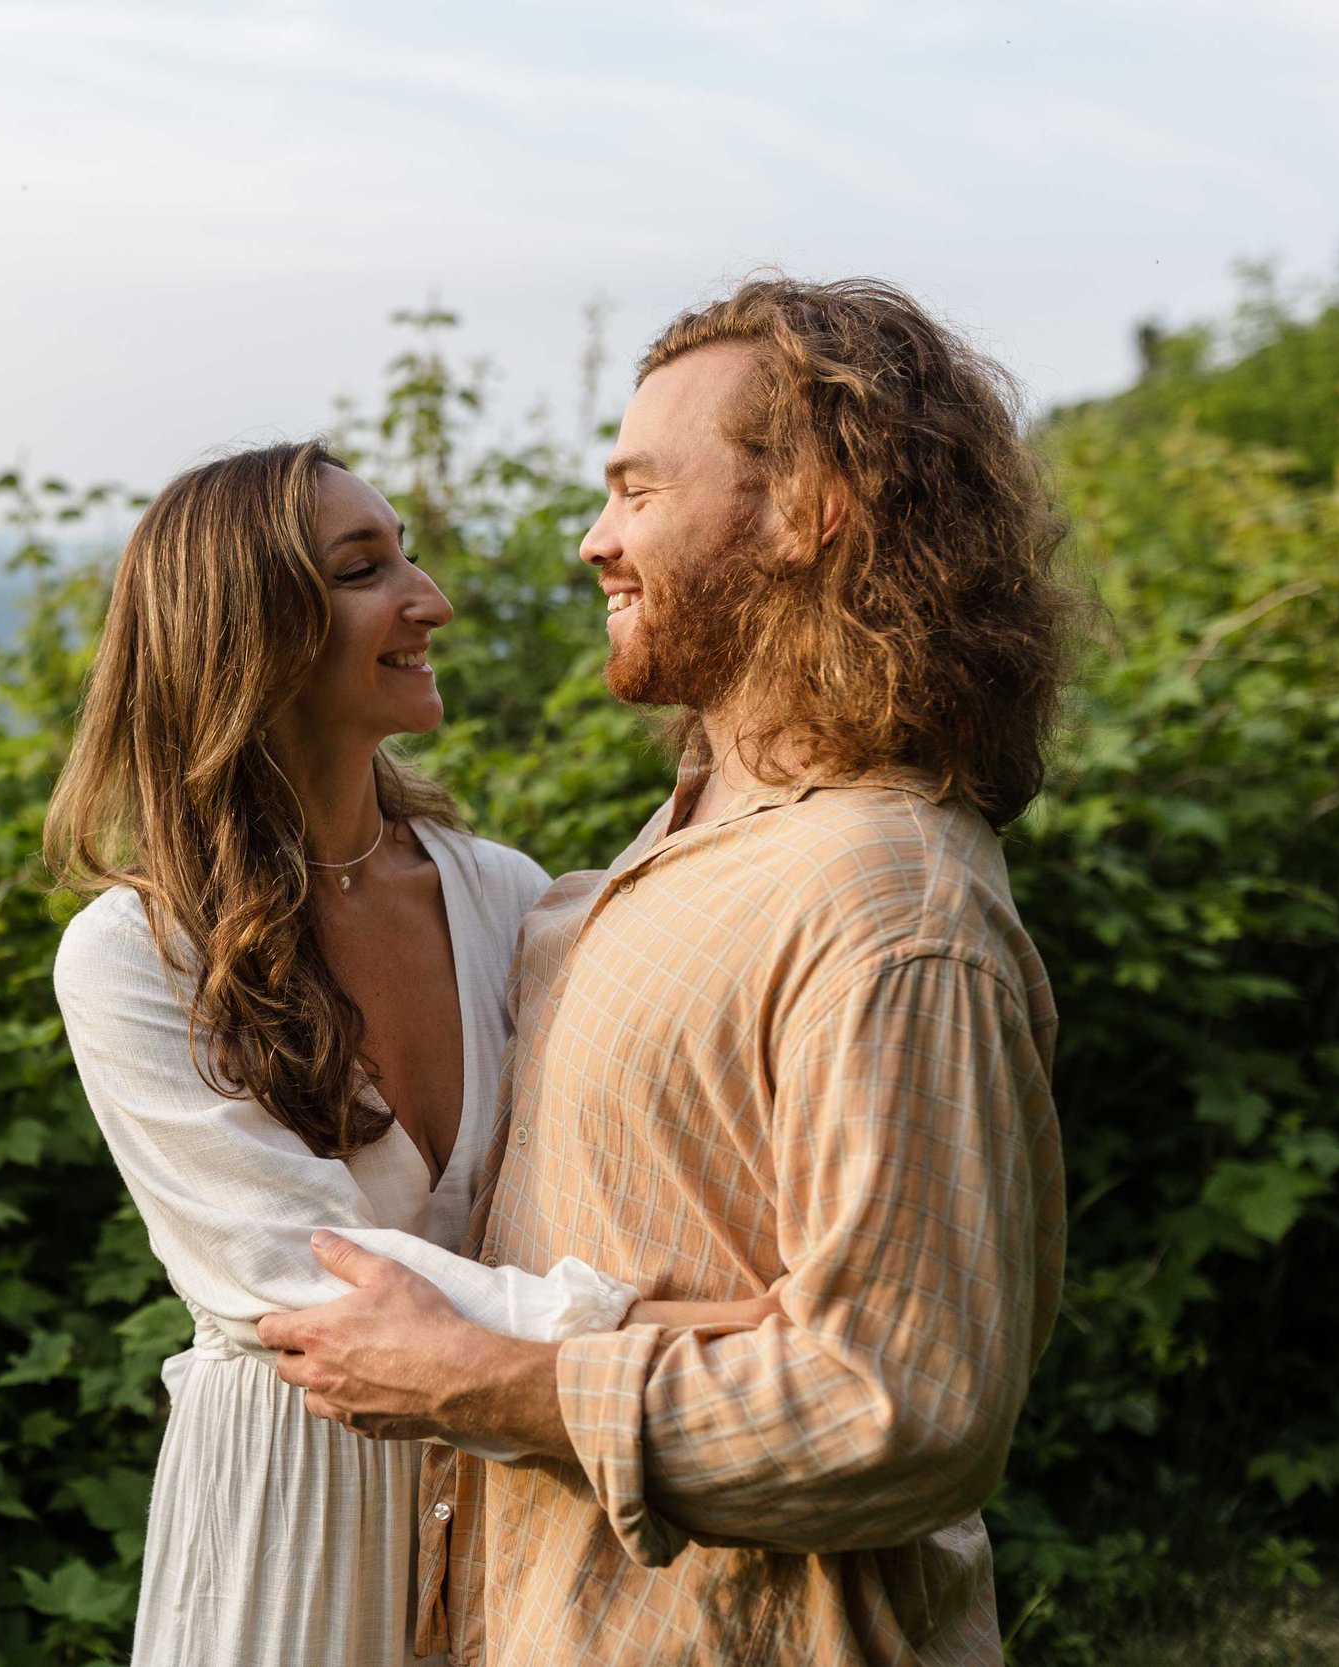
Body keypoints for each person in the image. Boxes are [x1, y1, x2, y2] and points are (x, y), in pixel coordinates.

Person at [258, 277, 1076, 1665]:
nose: (595, 539)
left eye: (638, 491)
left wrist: (490, 1379)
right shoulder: (704, 836)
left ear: (815, 507)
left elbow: (902, 1410)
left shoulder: (885, 901)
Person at [47, 442, 769, 1667]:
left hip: (525, 1483)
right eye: (363, 568)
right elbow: (304, 1282)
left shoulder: (504, 898)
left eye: (407, 554)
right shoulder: (135, 954)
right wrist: (684, 1328)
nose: (428, 596)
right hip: (296, 1497)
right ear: (248, 627)